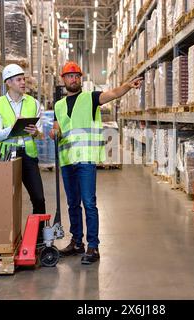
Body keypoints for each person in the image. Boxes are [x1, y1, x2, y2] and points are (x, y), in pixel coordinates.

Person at [49, 61, 142, 265]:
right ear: (63, 79)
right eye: (69, 76)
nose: (73, 79)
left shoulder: (90, 98)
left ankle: (93, 245)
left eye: (76, 76)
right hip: (67, 160)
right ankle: (76, 242)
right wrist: (53, 132)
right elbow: (57, 128)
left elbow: (113, 94)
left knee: (89, 203)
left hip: (86, 159)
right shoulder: (58, 105)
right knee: (72, 203)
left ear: (80, 79)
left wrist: (128, 85)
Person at [0, 63, 46, 240]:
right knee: (6, 202)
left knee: (39, 198)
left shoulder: (34, 103)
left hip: (28, 156)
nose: (23, 83)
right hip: (7, 158)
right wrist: (14, 127)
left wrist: (36, 132)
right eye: (19, 80)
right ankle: (6, 238)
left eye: (24, 79)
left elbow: (41, 133)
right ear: (8, 82)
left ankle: (39, 240)